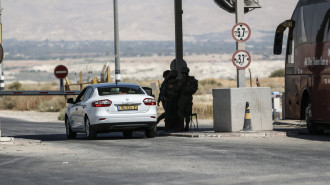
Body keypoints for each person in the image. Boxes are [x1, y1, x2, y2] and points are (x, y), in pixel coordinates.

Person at [177, 67, 198, 131]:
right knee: (186, 113)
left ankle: (183, 126)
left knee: (182, 112)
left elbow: (178, 88)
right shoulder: (191, 80)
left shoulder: (184, 80)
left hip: (184, 98)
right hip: (187, 98)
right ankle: (185, 125)